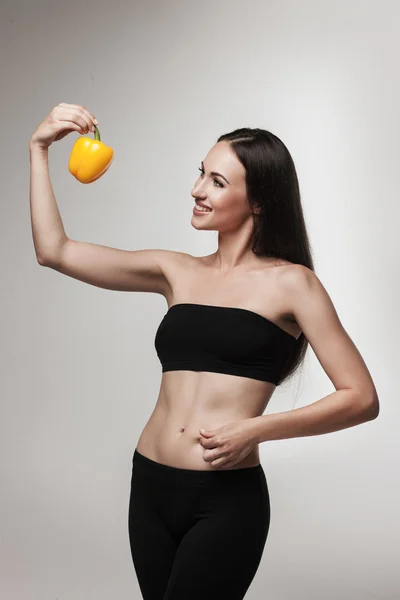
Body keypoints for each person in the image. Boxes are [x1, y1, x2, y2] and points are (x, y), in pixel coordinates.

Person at [29, 103, 380, 600]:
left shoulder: (293, 285)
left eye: (216, 181)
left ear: (257, 200)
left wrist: (255, 430)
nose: (196, 190)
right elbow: (54, 251)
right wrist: (39, 149)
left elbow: (361, 397)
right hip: (148, 486)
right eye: (201, 174)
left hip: (224, 500)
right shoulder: (175, 271)